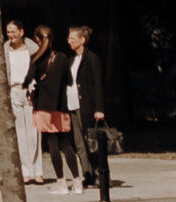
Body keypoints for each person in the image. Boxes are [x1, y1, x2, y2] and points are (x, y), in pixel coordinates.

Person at [32, 25, 74, 186]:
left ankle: (61, 181)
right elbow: (69, 81)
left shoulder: (36, 58)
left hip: (44, 105)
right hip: (61, 105)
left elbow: (28, 80)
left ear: (37, 40)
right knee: (66, 143)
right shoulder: (62, 57)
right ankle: (77, 181)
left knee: (52, 142)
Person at [70, 24, 107, 183]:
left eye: (72, 38)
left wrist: (99, 108)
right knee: (79, 143)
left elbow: (97, 84)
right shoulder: (71, 59)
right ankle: (87, 173)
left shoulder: (91, 58)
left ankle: (101, 174)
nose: (69, 41)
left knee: (92, 141)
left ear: (82, 40)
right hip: (73, 105)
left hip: (87, 106)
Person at [6, 18, 40, 185]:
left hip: (30, 91)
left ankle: (37, 170)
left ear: (21, 32)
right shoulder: (6, 48)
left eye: (13, 31)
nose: (11, 35)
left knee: (34, 132)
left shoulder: (32, 48)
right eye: (8, 32)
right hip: (14, 90)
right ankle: (25, 170)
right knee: (19, 132)